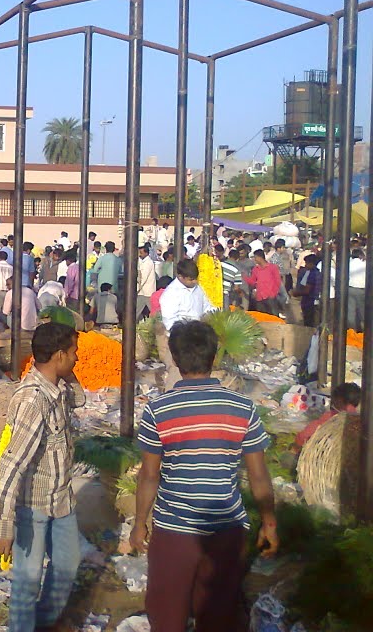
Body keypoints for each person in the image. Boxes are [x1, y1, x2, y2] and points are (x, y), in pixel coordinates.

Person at [132, 320, 277, 632]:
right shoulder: (243, 408)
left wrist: (139, 523)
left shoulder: (158, 410)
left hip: (173, 531)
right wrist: (269, 522)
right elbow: (259, 475)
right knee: (219, 617)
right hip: (226, 531)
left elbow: (149, 476)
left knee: (167, 619)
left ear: (174, 358)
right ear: (214, 356)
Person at [0, 322, 84, 632]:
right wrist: (2, 526)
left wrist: (65, 373)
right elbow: (10, 464)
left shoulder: (57, 388)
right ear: (58, 355)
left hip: (61, 499)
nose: (77, 358)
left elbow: (80, 400)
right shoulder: (33, 400)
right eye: (73, 353)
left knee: (68, 565)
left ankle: (42, 622)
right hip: (33, 507)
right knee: (26, 585)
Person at [157, 259, 217, 390]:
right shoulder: (171, 293)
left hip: (198, 336)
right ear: (180, 277)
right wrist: (183, 335)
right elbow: (169, 320)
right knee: (178, 371)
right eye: (190, 279)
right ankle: (173, 398)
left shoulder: (198, 289)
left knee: (200, 371)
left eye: (195, 279)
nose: (194, 282)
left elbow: (207, 307)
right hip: (180, 338)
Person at [294, 382, 360, 452]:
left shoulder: (331, 417)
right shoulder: (357, 419)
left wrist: (298, 441)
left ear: (339, 400)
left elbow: (308, 433)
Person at [243, 249, 282, 317]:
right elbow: (252, 281)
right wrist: (244, 277)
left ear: (260, 257)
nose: (254, 259)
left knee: (274, 317)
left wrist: (273, 293)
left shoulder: (272, 267)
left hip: (270, 296)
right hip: (260, 297)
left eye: (255, 257)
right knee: (261, 317)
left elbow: (277, 281)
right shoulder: (256, 269)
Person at [292, 253, 323, 328]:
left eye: (307, 263)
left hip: (310, 302)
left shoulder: (312, 274)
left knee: (309, 324)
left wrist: (295, 293)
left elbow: (307, 290)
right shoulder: (313, 273)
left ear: (311, 264)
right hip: (310, 301)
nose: (305, 265)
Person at [346, 248, 366, 333]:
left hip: (350, 288)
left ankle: (352, 330)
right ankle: (364, 329)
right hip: (362, 289)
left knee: (351, 310)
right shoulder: (364, 264)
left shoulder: (349, 263)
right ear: (360, 255)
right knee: (362, 310)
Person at [137, 244, 157, 320]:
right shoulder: (142, 262)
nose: (139, 254)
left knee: (153, 312)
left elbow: (143, 278)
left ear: (146, 253)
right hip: (143, 291)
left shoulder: (148, 263)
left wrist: (137, 288)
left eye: (141, 253)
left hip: (146, 292)